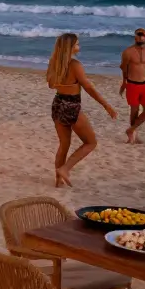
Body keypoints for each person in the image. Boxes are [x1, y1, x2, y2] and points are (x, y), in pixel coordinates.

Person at [47, 33, 117, 187]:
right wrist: (106, 105)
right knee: (91, 143)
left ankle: (58, 181)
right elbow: (89, 88)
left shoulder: (53, 62)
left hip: (57, 104)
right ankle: (65, 169)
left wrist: (65, 84)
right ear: (70, 47)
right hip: (71, 106)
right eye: (77, 44)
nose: (79, 46)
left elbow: (50, 84)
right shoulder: (75, 65)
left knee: (64, 144)